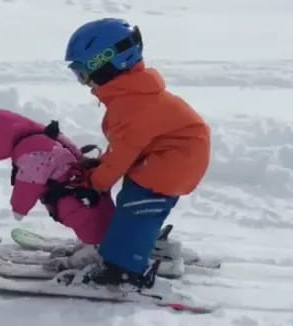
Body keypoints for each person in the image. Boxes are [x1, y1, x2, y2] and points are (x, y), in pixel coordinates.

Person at [65, 18, 211, 288]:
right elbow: (123, 149)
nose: (82, 82)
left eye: (82, 72)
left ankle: (124, 269)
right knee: (137, 204)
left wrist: (94, 183)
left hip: (173, 163)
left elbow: (121, 156)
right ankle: (143, 242)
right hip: (166, 157)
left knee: (138, 207)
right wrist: (98, 168)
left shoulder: (133, 105)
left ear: (107, 63)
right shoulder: (132, 96)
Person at [0, 108, 115, 269]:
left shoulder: (32, 151)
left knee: (81, 217)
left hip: (76, 198)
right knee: (93, 219)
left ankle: (95, 251)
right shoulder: (46, 135)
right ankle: (92, 243)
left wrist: (19, 207)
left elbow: (28, 183)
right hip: (89, 192)